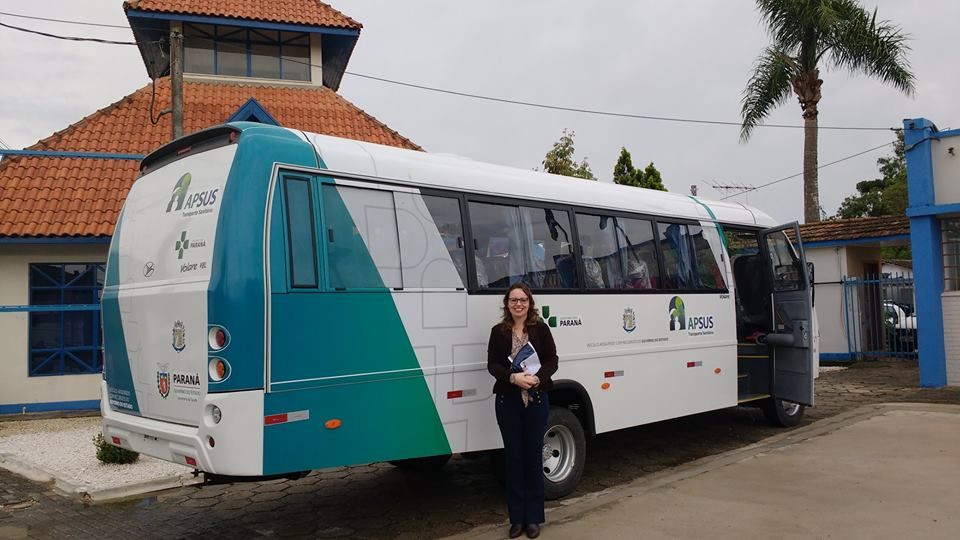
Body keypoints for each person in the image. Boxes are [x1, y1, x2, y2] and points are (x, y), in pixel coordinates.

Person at [487, 283, 559, 539]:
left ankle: (534, 519)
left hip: (537, 400)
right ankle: (516, 519)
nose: (518, 304)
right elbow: (492, 365)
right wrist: (512, 379)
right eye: (513, 300)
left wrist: (538, 378)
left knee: (532, 458)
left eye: (523, 300)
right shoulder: (498, 332)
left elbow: (553, 360)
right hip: (508, 402)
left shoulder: (540, 329)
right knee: (514, 459)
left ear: (530, 303)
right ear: (507, 304)